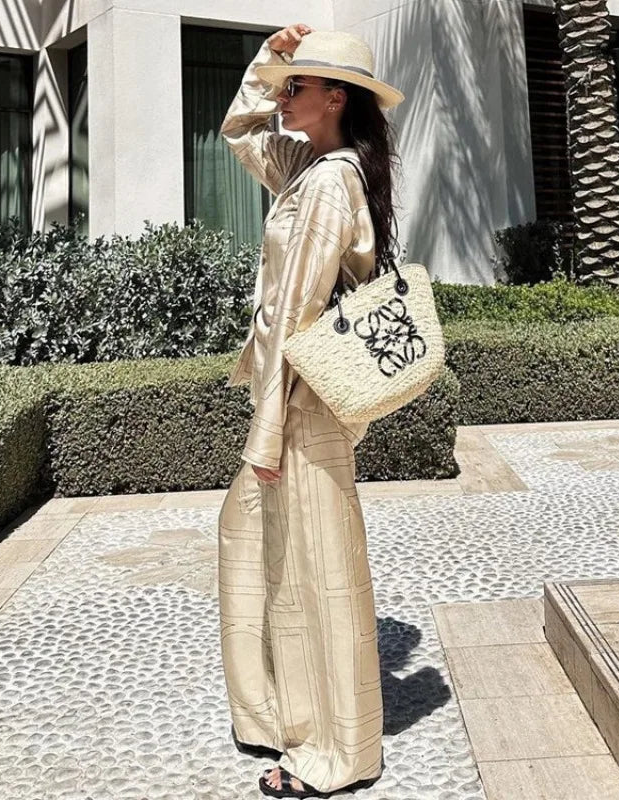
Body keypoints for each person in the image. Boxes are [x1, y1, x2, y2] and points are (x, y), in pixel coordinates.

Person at [216, 23, 404, 799]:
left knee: (318, 572)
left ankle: (335, 752)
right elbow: (239, 131)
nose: (284, 96)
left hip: (301, 402)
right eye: (286, 85)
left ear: (336, 99)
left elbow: (297, 309)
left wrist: (266, 434)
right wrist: (271, 57)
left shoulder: (330, 182)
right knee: (264, 551)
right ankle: (286, 716)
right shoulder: (309, 166)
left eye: (298, 86)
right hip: (290, 396)